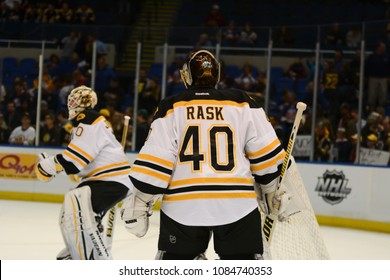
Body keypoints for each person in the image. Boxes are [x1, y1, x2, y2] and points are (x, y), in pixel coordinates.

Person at [120, 50, 290, 260]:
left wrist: (140, 201)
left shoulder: (171, 107)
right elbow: (267, 157)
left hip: (183, 208)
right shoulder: (243, 102)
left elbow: (156, 163)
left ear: (188, 75)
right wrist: (271, 190)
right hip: (237, 205)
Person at [34, 86, 132, 260]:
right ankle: (80, 251)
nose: (71, 102)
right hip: (103, 180)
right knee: (68, 212)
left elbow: (75, 159)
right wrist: (65, 167)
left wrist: (49, 166)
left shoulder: (88, 118)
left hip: (109, 179)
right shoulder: (88, 123)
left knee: (77, 209)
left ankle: (90, 259)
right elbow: (78, 163)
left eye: (76, 99)